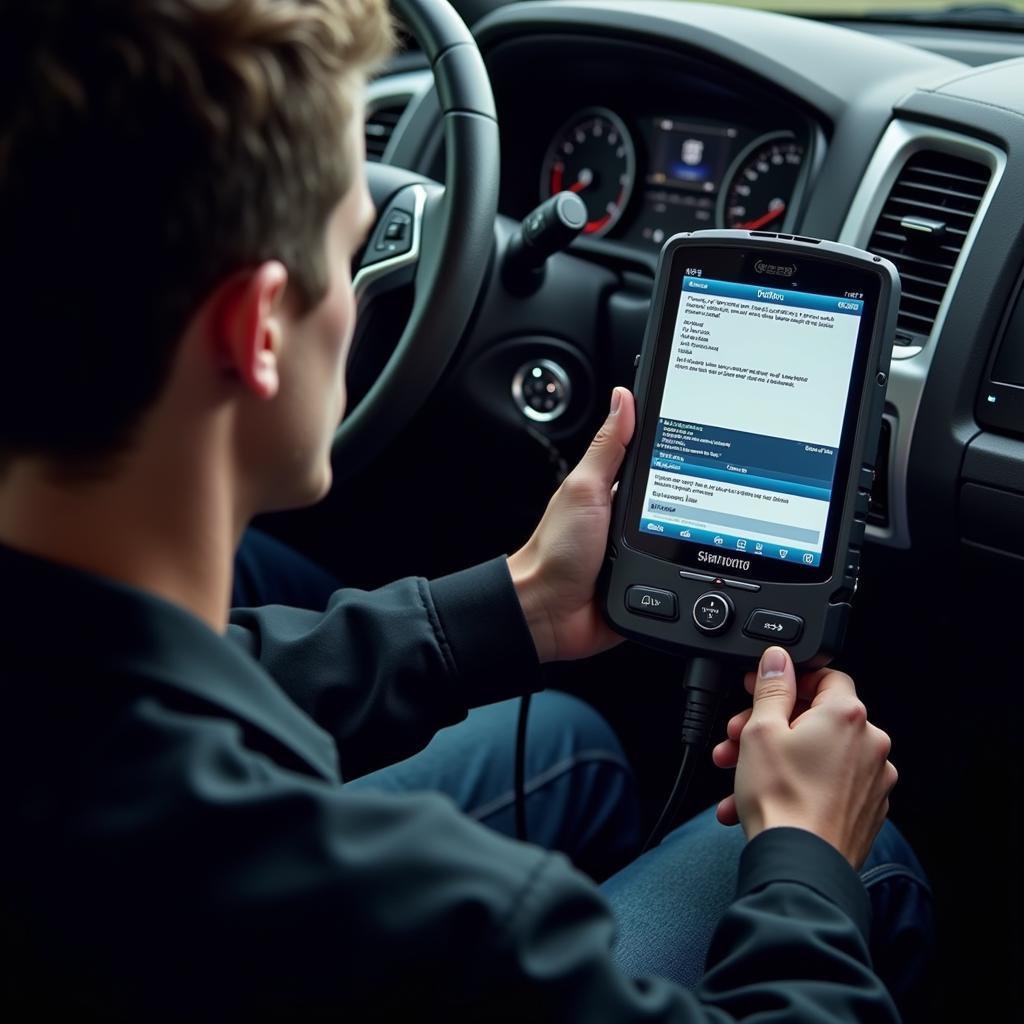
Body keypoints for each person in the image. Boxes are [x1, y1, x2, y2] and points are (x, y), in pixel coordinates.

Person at [0, 1, 929, 1020]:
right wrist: (803, 861)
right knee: (851, 850)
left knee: (569, 739)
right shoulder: (418, 916)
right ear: (258, 328)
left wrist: (514, 606)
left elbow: (139, 686)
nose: (361, 292)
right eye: (353, 249)